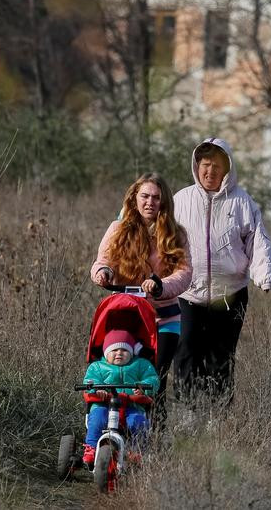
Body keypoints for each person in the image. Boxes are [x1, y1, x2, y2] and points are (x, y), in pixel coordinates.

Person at [172, 138, 271, 407]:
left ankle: (217, 414)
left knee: (221, 355)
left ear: (227, 170)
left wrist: (265, 275)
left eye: (217, 166)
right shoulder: (180, 200)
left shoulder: (242, 202)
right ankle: (188, 410)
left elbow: (258, 240)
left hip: (230, 295)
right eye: (205, 165)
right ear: (197, 167)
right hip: (188, 293)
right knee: (186, 351)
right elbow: (163, 240)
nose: (210, 172)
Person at [90, 173, 192, 417]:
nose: (150, 202)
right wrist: (103, 272)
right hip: (128, 317)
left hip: (163, 318)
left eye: (156, 198)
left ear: (164, 202)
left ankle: (154, 443)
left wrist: (160, 285)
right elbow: (102, 261)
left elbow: (185, 273)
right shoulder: (118, 229)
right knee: (118, 376)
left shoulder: (177, 235)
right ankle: (114, 428)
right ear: (134, 198)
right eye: (144, 196)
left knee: (153, 383)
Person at [82, 329, 160, 466]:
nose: (119, 353)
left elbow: (153, 379)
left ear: (131, 352)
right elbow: (89, 380)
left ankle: (138, 450)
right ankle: (92, 448)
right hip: (104, 404)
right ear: (106, 353)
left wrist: (143, 386)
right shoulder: (98, 366)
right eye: (114, 350)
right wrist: (97, 389)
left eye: (124, 350)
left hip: (131, 405)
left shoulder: (140, 364)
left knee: (138, 422)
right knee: (97, 419)